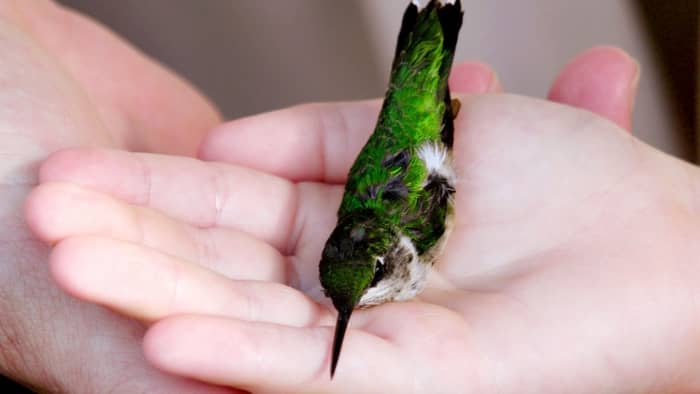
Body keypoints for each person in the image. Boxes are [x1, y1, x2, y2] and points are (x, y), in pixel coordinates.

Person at [4, 1, 698, 393]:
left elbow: (435, 173)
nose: (349, 310)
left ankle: (431, 31)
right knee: (413, 71)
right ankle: (430, 32)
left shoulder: (412, 234)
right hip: (402, 132)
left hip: (417, 135)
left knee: (418, 75)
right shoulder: (359, 234)